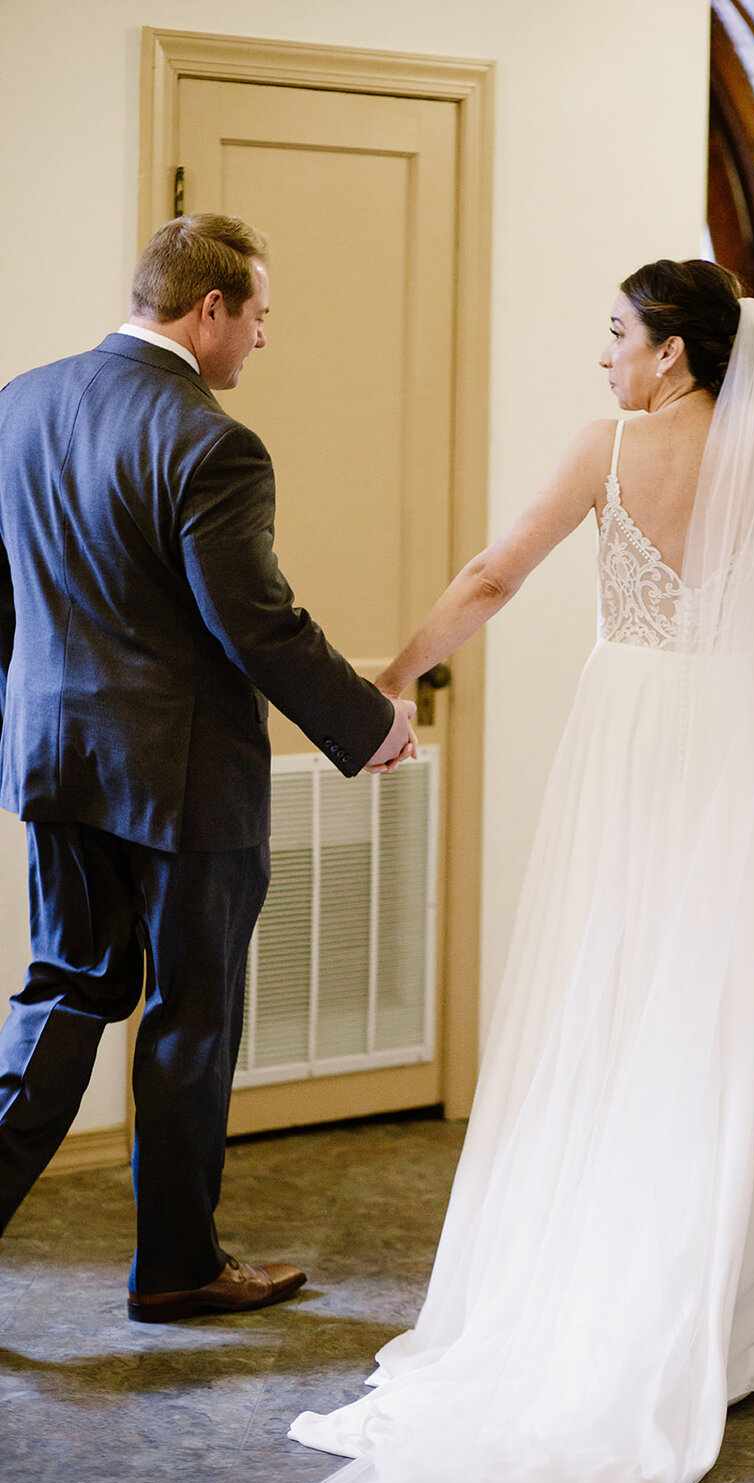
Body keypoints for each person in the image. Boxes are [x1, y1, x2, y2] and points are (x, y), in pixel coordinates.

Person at [287, 260, 754, 1483]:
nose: (604, 358)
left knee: (608, 982)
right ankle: (727, 1292)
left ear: (674, 356)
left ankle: (597, 1264)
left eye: (617, 336)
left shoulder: (609, 448)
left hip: (634, 729)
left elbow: (494, 575)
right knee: (716, 998)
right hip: (729, 742)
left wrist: (388, 678)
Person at [0, 214, 417, 1324]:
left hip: (52, 756)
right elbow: (257, 624)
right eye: (261, 317)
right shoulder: (209, 439)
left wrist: (28, 713)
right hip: (183, 780)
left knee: (65, 989)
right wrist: (367, 722)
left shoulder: (22, 403)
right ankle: (178, 1266)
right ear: (211, 309)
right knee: (193, 1013)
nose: (262, 343)